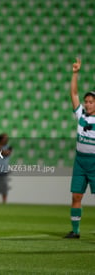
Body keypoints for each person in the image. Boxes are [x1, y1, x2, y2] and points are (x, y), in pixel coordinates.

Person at [65, 58, 95, 239]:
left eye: (91, 101)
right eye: (87, 101)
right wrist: (75, 73)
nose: (88, 104)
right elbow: (73, 93)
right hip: (80, 162)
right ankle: (75, 231)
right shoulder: (80, 114)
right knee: (76, 197)